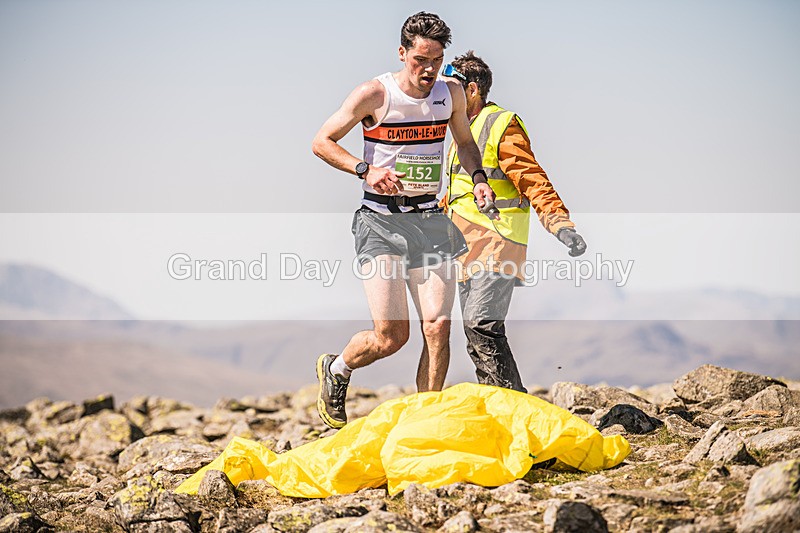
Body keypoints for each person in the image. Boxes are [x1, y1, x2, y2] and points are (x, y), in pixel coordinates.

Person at [311, 13, 496, 429]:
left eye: (436, 60)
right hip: (380, 222)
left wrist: (479, 179)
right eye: (420, 60)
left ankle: (424, 423)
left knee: (438, 325)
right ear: (402, 53)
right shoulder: (375, 94)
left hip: (429, 220)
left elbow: (465, 143)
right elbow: (322, 142)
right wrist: (365, 170)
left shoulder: (450, 93)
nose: (428, 69)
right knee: (391, 337)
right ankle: (337, 368)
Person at [442, 51, 587, 393]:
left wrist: (560, 224)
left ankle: (516, 402)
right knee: (474, 336)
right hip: (464, 248)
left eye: (451, 87)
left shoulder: (500, 124)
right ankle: (499, 408)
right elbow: (457, 196)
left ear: (472, 90)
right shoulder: (461, 133)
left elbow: (532, 178)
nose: (444, 94)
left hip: (498, 240)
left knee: (482, 325)